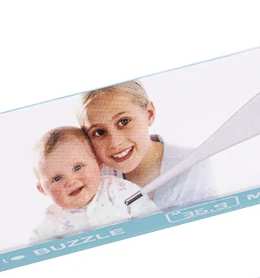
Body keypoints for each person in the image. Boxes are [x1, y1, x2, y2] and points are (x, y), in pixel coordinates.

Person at [78, 81, 216, 210]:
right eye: (99, 132)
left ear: (149, 114)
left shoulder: (193, 164)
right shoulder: (93, 178)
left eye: (124, 122)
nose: (115, 142)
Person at [31, 126, 157, 242]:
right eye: (57, 178)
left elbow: (151, 217)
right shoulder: (53, 218)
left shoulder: (120, 190)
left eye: (78, 168)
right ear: (42, 189)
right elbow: (36, 248)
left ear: (98, 164)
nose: (70, 181)